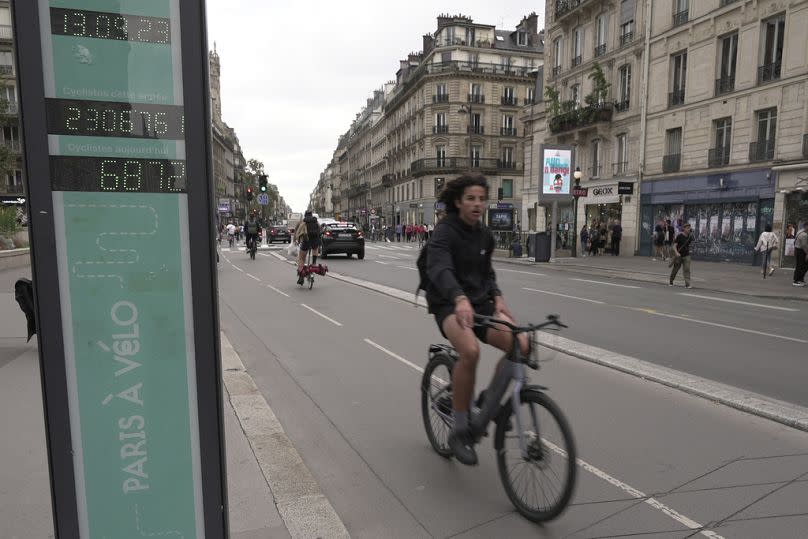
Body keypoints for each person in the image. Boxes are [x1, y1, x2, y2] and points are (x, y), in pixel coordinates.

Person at [425, 173, 528, 466]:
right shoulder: (445, 232)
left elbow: (487, 274)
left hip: (479, 304)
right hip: (448, 303)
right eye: (470, 198)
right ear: (458, 201)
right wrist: (458, 298)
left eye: (481, 199)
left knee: (521, 343)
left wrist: (498, 297)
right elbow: (440, 268)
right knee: (470, 351)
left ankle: (487, 403)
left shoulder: (485, 235)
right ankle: (459, 430)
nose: (477, 204)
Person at [295, 210, 321, 285]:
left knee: (301, 258)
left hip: (306, 240)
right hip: (314, 240)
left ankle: (301, 276)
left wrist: (297, 240)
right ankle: (314, 262)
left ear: (305, 215)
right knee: (315, 249)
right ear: (312, 214)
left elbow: (299, 231)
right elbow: (319, 228)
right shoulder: (315, 221)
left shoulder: (304, 221)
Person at [669, 223, 694, 288]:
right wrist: (676, 252)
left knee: (687, 269)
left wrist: (690, 249)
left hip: (686, 255)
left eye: (689, 228)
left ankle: (687, 284)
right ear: (684, 229)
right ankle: (671, 281)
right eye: (687, 228)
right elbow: (674, 245)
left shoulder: (690, 236)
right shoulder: (679, 236)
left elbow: (690, 244)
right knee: (676, 269)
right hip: (679, 255)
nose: (689, 229)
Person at [793, 222, 808, 287]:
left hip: (798, 250)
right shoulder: (804, 234)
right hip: (801, 251)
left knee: (799, 265)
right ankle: (797, 280)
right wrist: (807, 253)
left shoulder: (799, 231)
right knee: (801, 266)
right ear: (806, 226)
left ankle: (799, 279)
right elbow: (804, 245)